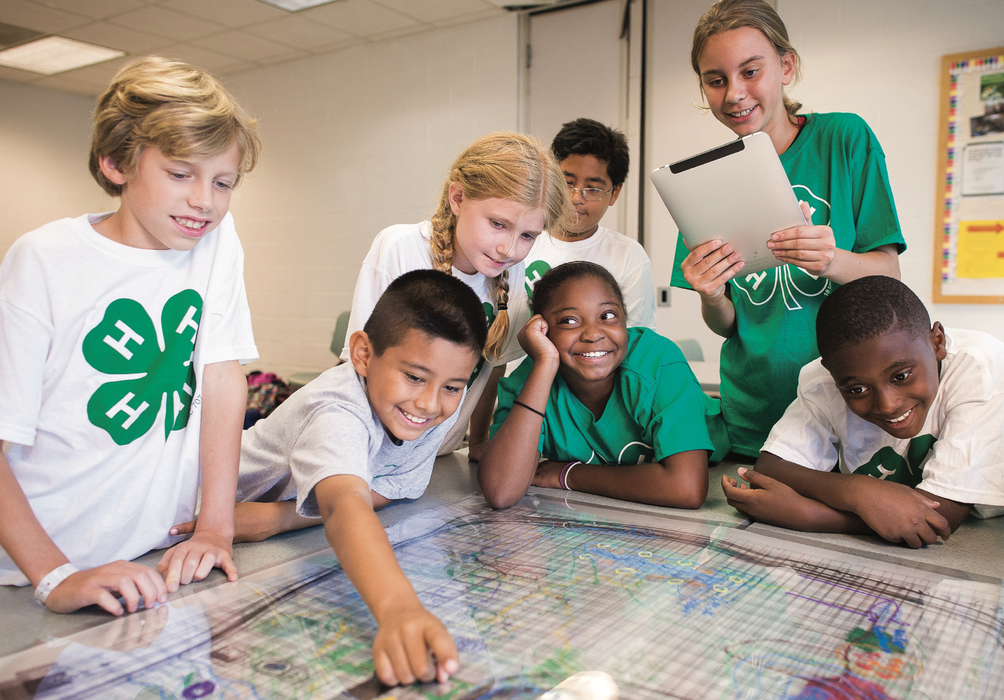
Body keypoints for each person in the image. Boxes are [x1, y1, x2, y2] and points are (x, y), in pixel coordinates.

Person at [0, 57, 261, 614]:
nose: (205, 202)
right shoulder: (43, 260)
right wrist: (55, 577)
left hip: (149, 559)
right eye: (180, 174)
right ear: (116, 163)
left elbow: (221, 377)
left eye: (223, 182)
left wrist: (216, 528)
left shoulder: (215, 241)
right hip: (37, 568)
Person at [175, 270, 486, 686]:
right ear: (362, 353)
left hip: (254, 531)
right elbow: (344, 505)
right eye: (413, 376)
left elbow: (387, 489)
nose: (430, 403)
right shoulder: (336, 408)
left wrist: (278, 518)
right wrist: (399, 610)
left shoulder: (424, 408)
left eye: (452, 387)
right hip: (184, 516)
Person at [670, 0, 905, 458]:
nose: (734, 93)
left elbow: (888, 276)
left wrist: (830, 259)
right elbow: (727, 325)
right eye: (716, 81)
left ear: (786, 66)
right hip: (752, 412)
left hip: (845, 406)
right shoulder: (704, 183)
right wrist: (711, 294)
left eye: (750, 71)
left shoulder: (844, 138)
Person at [722, 276, 1004, 548]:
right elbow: (773, 467)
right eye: (857, 390)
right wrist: (857, 491)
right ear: (830, 372)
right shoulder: (824, 378)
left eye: (901, 376)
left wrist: (811, 516)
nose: (888, 405)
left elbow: (940, 518)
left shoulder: (980, 366)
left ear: (937, 342)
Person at [342, 132, 570, 461]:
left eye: (527, 236)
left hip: (436, 457)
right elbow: (355, 368)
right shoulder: (401, 247)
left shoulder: (515, 275)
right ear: (458, 198)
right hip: (369, 449)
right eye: (497, 224)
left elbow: (493, 367)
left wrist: (478, 441)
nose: (508, 248)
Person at [479, 261, 729, 510]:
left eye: (608, 316)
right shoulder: (526, 385)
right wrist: (545, 363)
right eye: (569, 320)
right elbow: (500, 491)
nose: (593, 333)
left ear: (625, 320)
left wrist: (569, 475)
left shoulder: (659, 362)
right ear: (542, 330)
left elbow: (686, 488)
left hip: (725, 466)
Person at [523, 118, 657, 330]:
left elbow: (635, 338)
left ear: (614, 193)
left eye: (593, 188)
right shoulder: (520, 241)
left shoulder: (628, 256)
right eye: (568, 183)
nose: (576, 197)